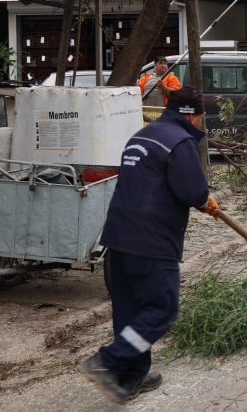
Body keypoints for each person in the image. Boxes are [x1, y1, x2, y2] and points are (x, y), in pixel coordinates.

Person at [79, 86, 219, 404]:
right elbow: (192, 191)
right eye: (201, 114)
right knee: (161, 308)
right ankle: (108, 361)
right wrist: (205, 199)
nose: (201, 120)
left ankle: (129, 376)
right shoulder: (179, 142)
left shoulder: (141, 137)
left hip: (117, 237)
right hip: (151, 242)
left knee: (130, 310)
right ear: (192, 116)